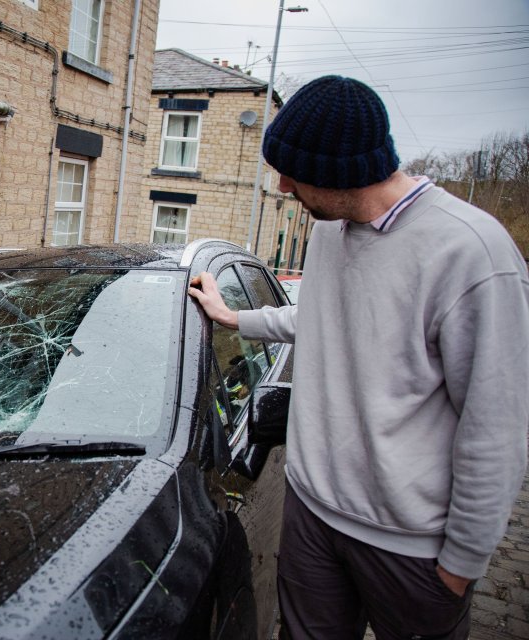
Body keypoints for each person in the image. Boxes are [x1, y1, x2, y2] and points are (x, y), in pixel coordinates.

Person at [188, 75, 529, 638]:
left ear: (338, 173)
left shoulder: (470, 252)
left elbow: (493, 428)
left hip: (409, 547)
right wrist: (234, 318)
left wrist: (459, 567)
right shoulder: (331, 230)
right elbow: (322, 318)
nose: (283, 185)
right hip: (311, 517)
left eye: (293, 174)